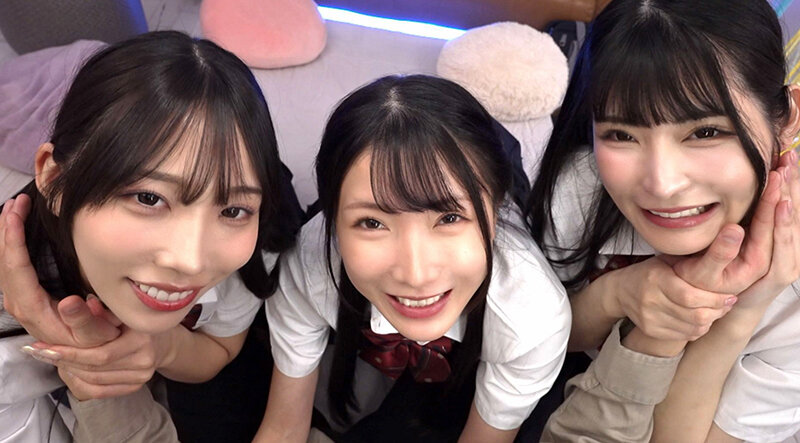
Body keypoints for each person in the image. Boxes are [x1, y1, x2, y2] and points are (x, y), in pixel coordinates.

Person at [0, 30, 302, 442]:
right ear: (55, 181)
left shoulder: (264, 233)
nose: (191, 261)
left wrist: (161, 347)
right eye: (148, 198)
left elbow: (221, 349)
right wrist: (89, 360)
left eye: (232, 210)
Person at [524, 0, 800, 441]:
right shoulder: (577, 191)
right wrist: (618, 294)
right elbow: (539, 342)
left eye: (705, 132)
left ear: (786, 118)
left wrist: (736, 313)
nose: (662, 184)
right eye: (621, 135)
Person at [253, 74, 571, 442]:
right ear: (333, 219)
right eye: (372, 222)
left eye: (449, 218)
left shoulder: (532, 315)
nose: (416, 275)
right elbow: (283, 427)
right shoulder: (309, 265)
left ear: (496, 212)